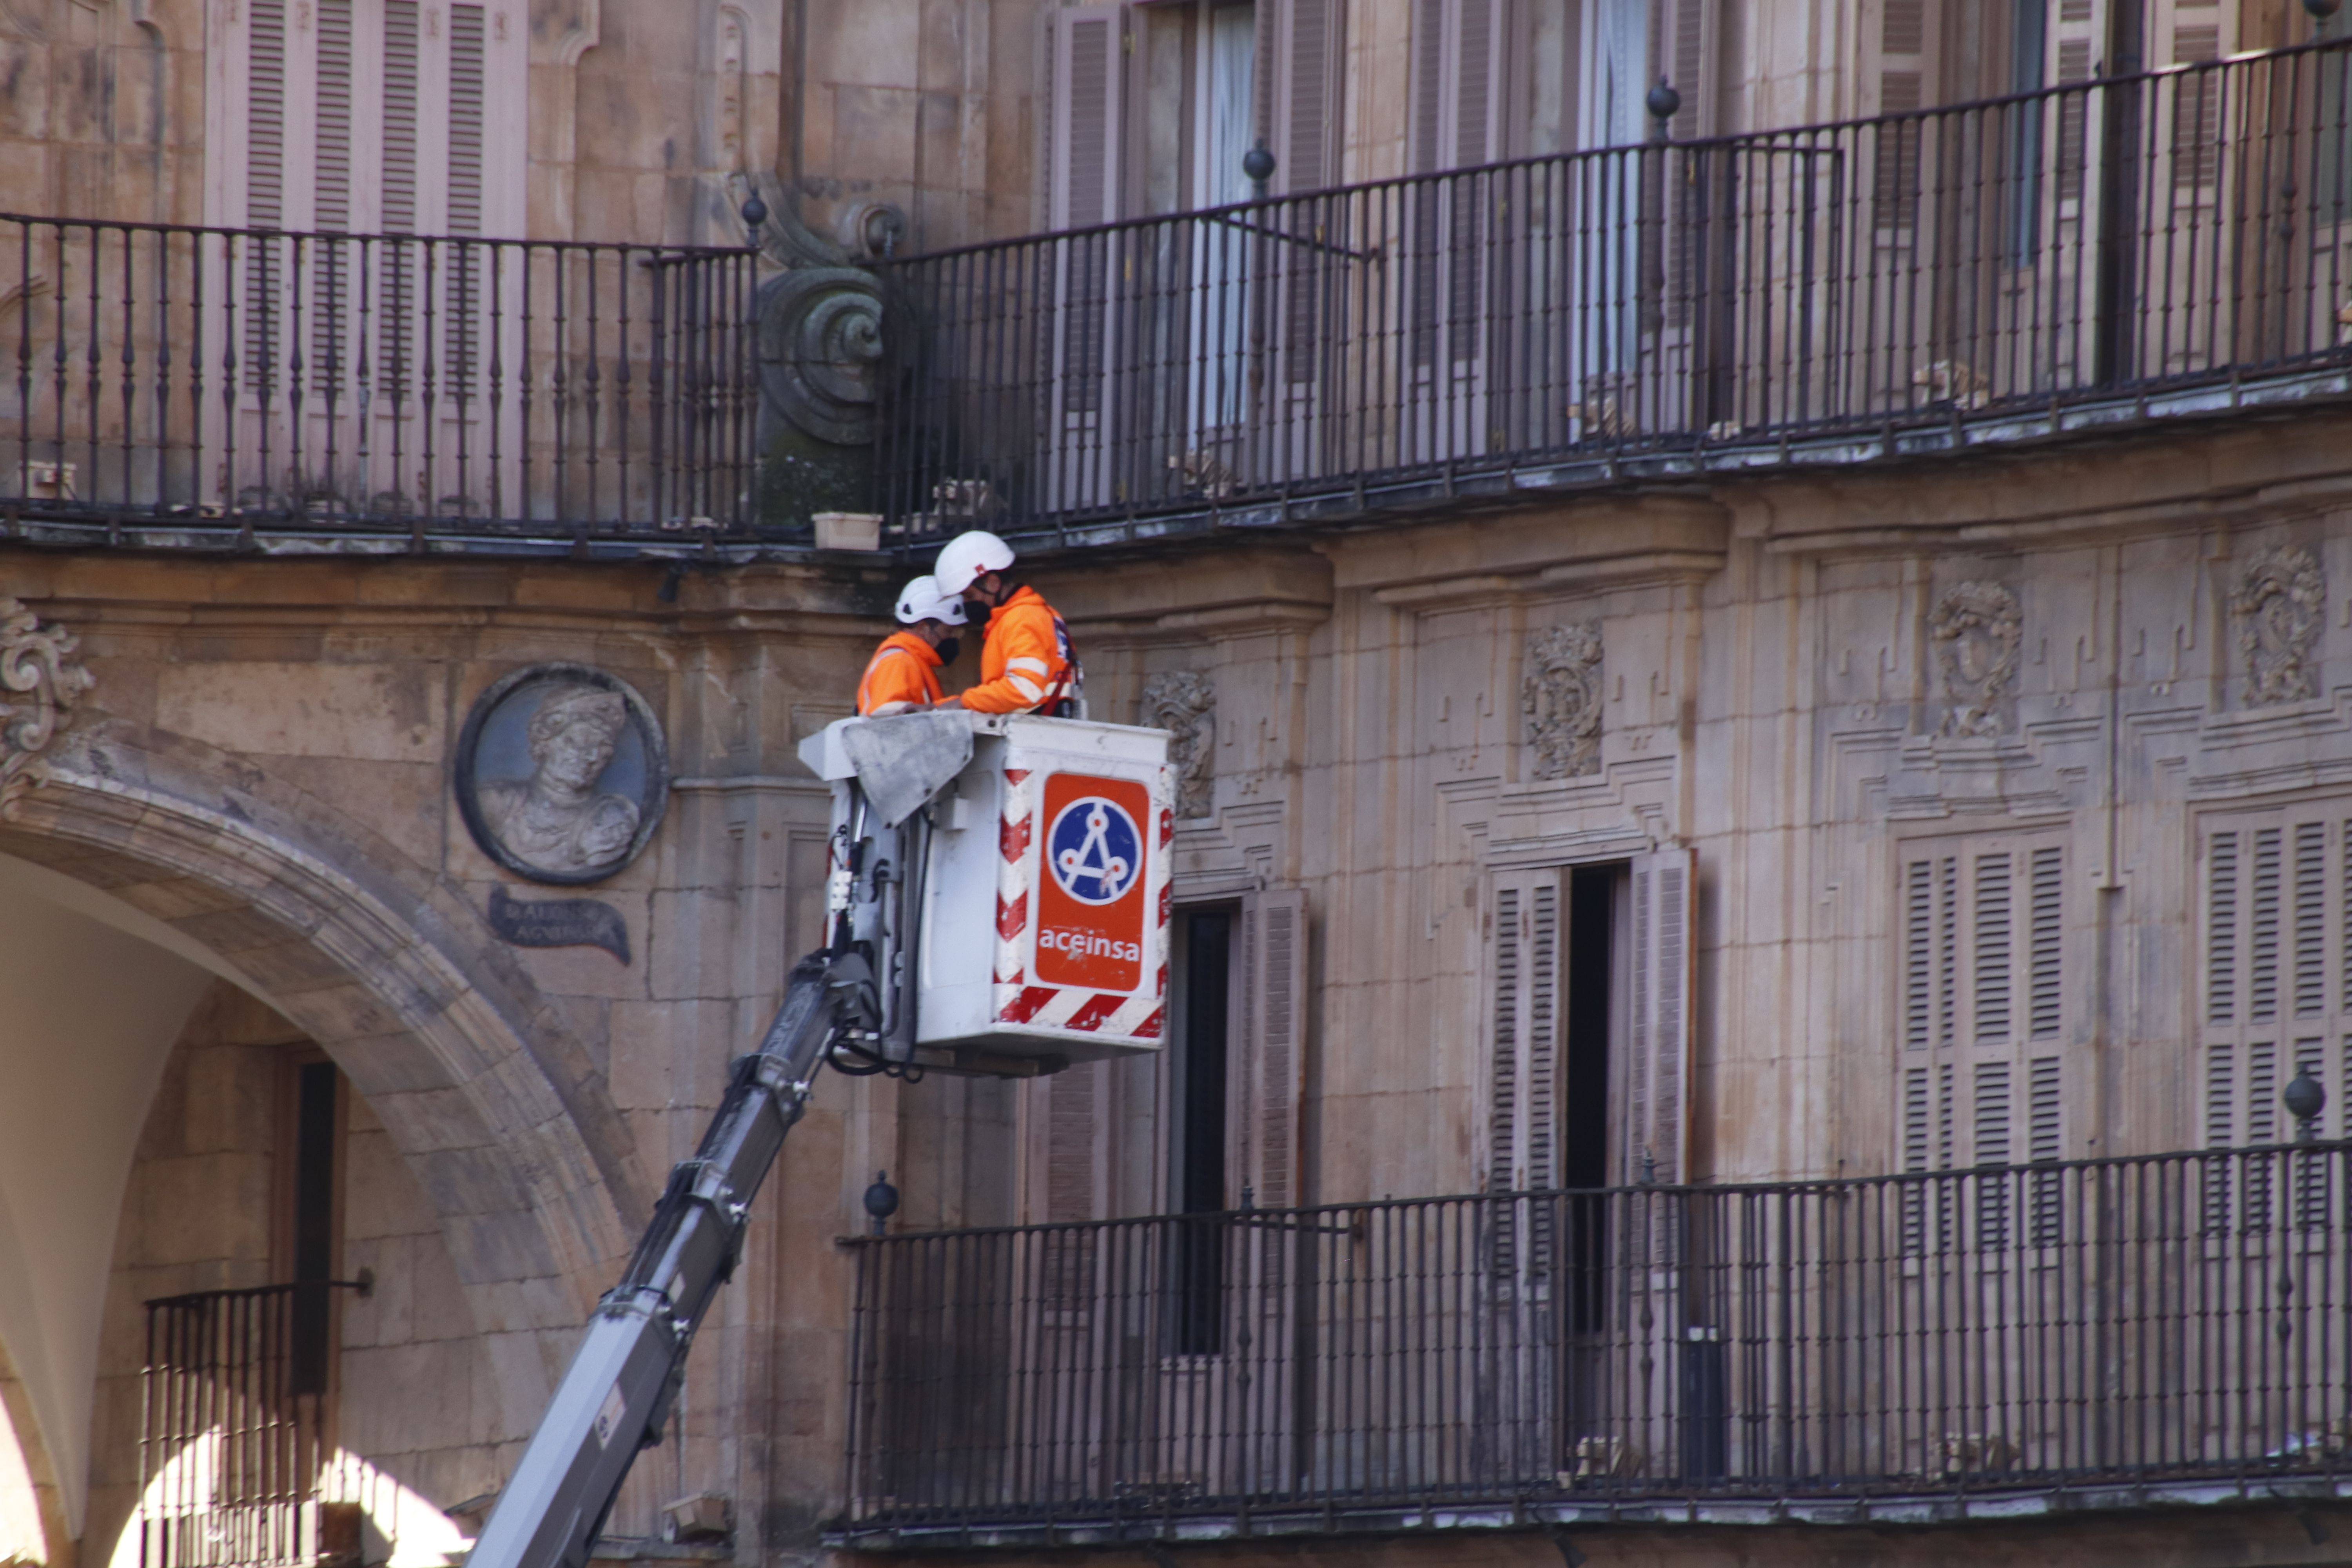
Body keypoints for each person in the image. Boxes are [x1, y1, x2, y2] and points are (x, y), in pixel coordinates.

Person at [478, 683, 641, 873]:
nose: (592, 758)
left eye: (603, 750)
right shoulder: (496, 802)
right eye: (579, 743)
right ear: (545, 743)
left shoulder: (609, 821)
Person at [929, 530, 1079, 716]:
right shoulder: (1041, 614)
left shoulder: (1020, 618)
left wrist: (964, 703)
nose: (966, 605)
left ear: (993, 583)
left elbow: (1024, 688)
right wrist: (940, 706)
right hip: (1047, 729)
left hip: (1030, 733)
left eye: (969, 596)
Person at [856, 575, 966, 716]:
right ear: (923, 629)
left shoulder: (911, 661)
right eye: (948, 631)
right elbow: (888, 727)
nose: (953, 638)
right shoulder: (899, 662)